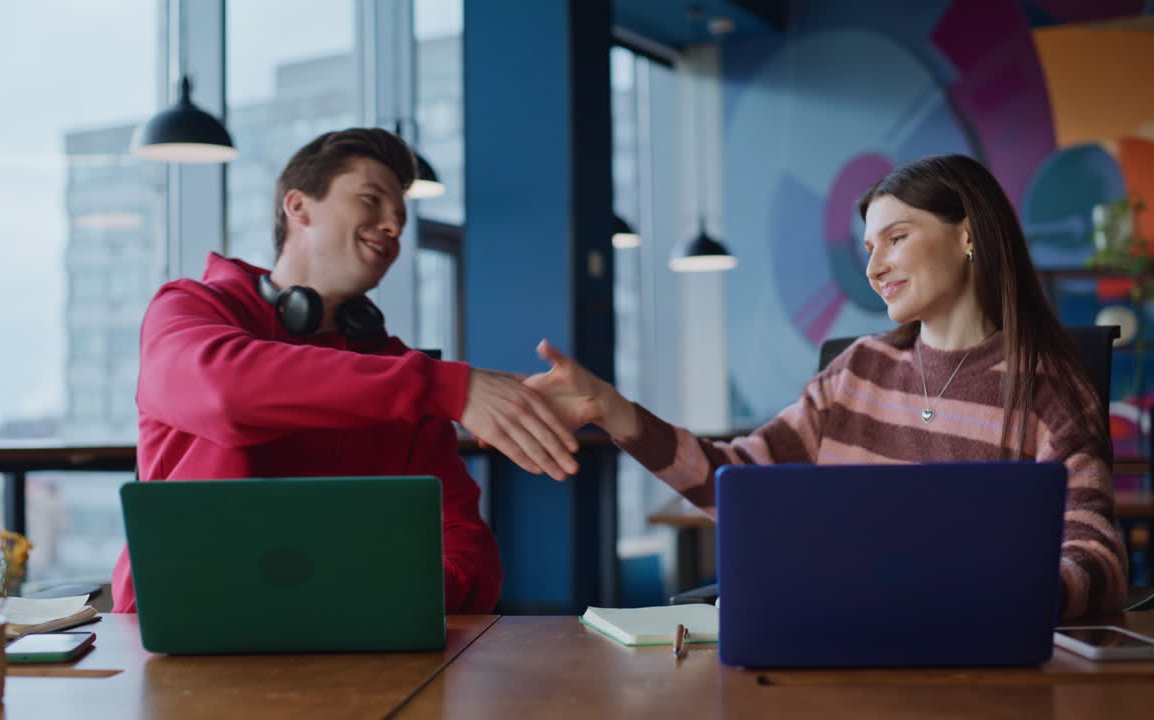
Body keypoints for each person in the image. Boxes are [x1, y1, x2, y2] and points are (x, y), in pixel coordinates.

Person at [525, 153, 1128, 620]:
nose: (873, 268)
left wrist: (1001, 597)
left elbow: (1097, 558)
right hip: (836, 642)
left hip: (972, 664)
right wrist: (611, 409)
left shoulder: (1046, 390)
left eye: (896, 238)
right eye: (869, 249)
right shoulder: (856, 372)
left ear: (969, 235)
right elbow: (735, 481)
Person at [111, 128, 580, 614]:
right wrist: (446, 386)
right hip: (177, 638)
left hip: (347, 649)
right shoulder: (190, 309)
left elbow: (464, 546)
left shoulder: (404, 376)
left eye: (399, 216)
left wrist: (376, 593)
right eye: (370, 200)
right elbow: (222, 392)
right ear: (299, 207)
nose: (392, 226)